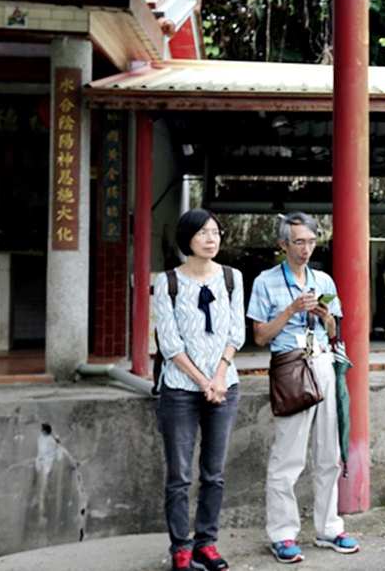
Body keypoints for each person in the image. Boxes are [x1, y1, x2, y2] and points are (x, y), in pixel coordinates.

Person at [247, 212, 359, 563]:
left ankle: (329, 528)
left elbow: (335, 332)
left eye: (311, 242)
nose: (306, 249)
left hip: (322, 362)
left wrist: (324, 316)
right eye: (299, 242)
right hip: (291, 366)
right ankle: (282, 534)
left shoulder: (323, 280)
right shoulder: (265, 282)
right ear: (283, 245)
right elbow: (261, 336)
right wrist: (292, 309)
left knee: (328, 454)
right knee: (288, 456)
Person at [154, 209, 245, 571]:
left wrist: (220, 376)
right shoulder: (168, 282)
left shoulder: (231, 278)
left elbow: (236, 332)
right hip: (179, 389)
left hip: (225, 387)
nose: (212, 239)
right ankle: (180, 546)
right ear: (187, 239)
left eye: (216, 232)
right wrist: (203, 381)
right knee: (179, 474)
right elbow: (170, 344)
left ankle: (206, 542)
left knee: (214, 472)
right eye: (203, 233)